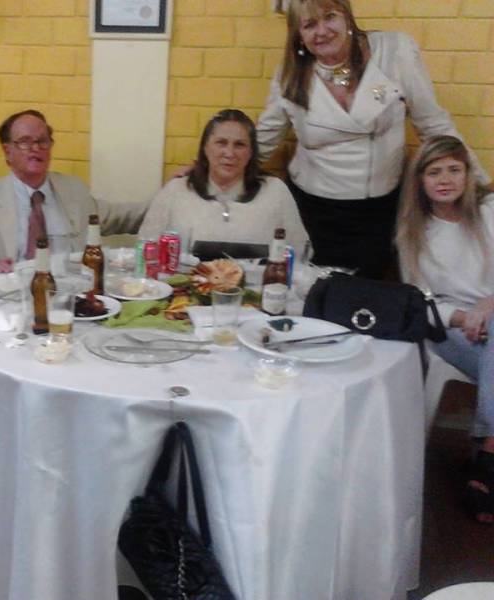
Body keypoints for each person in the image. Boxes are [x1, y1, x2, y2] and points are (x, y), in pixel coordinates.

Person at [256, 0, 492, 279]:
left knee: (368, 292)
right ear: (299, 35)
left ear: (347, 17)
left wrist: (480, 184)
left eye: (329, 17)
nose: (322, 31)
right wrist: (215, 173)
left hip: (379, 211)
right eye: (309, 25)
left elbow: (433, 123)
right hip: (313, 210)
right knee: (315, 290)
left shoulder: (395, 51)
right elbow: (266, 136)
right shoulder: (290, 73)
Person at [396, 135, 494, 524]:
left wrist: (488, 306)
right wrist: (463, 318)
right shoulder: (414, 233)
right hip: (451, 331)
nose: (445, 179)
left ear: (468, 174)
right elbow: (420, 302)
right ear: (420, 180)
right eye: (434, 171)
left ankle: (487, 452)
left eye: (454, 169)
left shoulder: (489, 211)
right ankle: (487, 456)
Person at [0, 109, 146, 283]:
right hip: (12, 297)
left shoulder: (74, 190)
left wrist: (165, 198)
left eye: (42, 141)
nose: (36, 149)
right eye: (25, 142)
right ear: (7, 151)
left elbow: (123, 216)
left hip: (72, 294)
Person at [139, 109, 307, 255]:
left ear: (251, 152)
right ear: (205, 148)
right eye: (221, 143)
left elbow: (299, 255)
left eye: (239, 145)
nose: (229, 153)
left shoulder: (276, 193)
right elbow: (146, 251)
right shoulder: (176, 191)